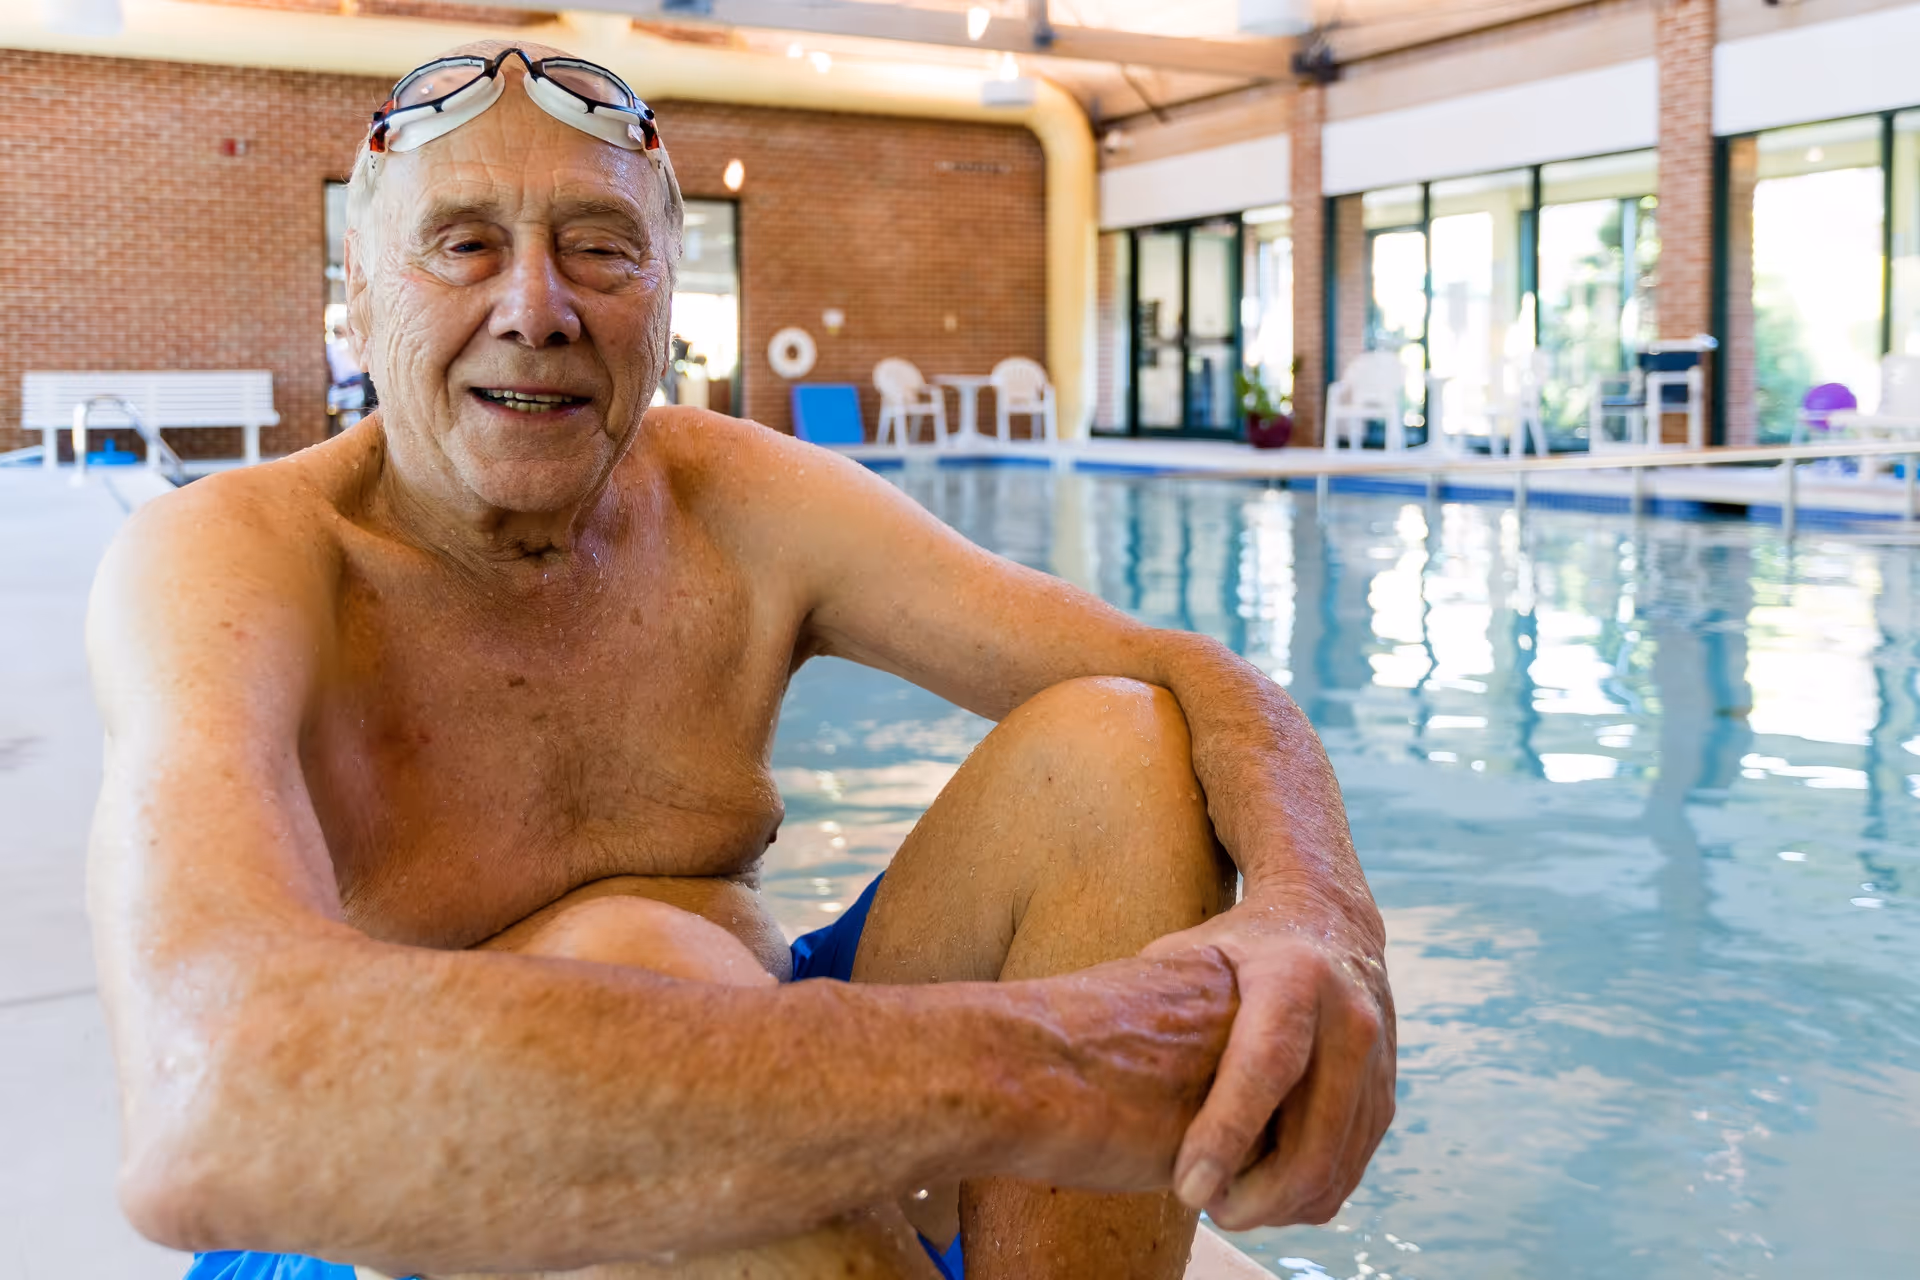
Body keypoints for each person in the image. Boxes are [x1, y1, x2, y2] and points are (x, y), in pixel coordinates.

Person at [86, 40, 1394, 1280]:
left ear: (665, 301)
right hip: (392, 1210)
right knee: (636, 952)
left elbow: (1191, 675)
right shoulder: (234, 559)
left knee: (1121, 740)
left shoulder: (741, 501)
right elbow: (207, 1098)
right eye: (464, 245)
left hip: (764, 1049)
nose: (536, 309)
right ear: (361, 297)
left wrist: (1316, 920)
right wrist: (1054, 1070)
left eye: (599, 251)